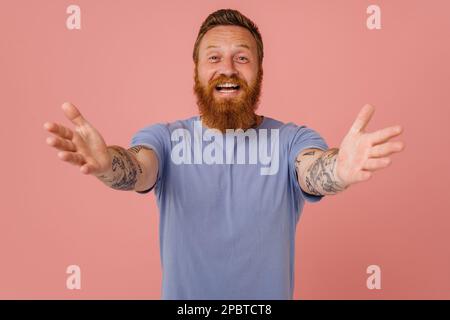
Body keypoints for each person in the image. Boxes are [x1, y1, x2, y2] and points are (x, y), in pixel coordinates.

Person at [43, 9, 404, 299]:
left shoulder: (291, 139)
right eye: (214, 57)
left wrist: (337, 170)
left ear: (259, 71)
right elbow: (138, 167)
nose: (227, 68)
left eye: (242, 58)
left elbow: (311, 168)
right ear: (197, 71)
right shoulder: (165, 139)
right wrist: (108, 164)